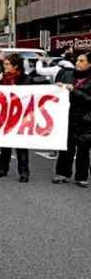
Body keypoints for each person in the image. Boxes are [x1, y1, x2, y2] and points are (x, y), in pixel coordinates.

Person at [52, 52, 91, 188]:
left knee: (83, 150)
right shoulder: (68, 75)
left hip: (86, 120)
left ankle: (81, 177)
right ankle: (62, 173)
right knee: (66, 147)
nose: (77, 63)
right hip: (68, 117)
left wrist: (74, 90)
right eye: (77, 60)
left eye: (82, 61)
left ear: (89, 64)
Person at [0, 54, 33, 183]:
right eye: (4, 64)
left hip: (20, 116)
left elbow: (30, 94)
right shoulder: (2, 78)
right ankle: (2, 169)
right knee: (4, 144)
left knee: (20, 145)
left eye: (7, 64)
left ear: (15, 66)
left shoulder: (25, 79)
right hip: (5, 116)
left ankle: (24, 173)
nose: (4, 67)